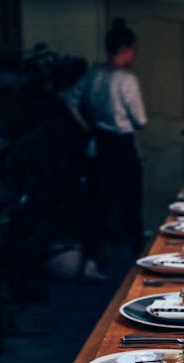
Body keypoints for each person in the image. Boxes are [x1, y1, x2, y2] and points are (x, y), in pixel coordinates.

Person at [62, 18, 147, 281]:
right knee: (132, 203)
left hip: (97, 145)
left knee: (96, 205)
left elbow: (69, 99)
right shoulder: (126, 80)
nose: (134, 54)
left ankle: (89, 264)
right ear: (125, 48)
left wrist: (87, 125)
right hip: (120, 146)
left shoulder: (92, 75)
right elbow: (140, 120)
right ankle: (144, 264)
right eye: (133, 49)